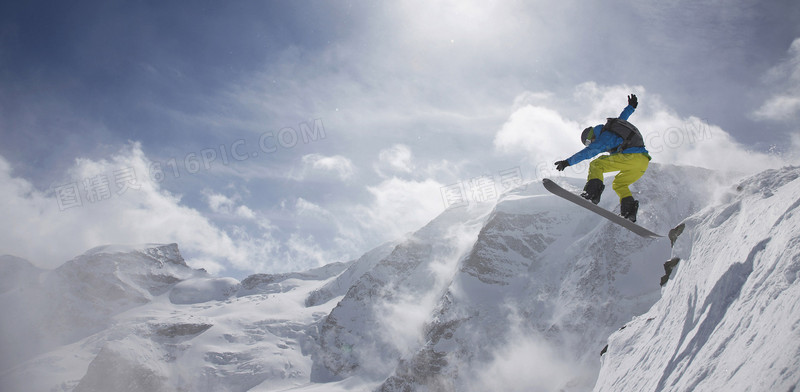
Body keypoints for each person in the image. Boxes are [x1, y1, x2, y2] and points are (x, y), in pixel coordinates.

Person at [554, 94, 651, 222]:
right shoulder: (614, 128)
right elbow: (623, 118)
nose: (591, 144)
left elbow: (588, 152)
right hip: (642, 162)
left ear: (591, 136)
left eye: (589, 142)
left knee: (596, 164)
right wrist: (630, 107)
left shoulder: (605, 136)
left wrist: (567, 162)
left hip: (631, 156)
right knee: (619, 184)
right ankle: (629, 212)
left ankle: (592, 193)